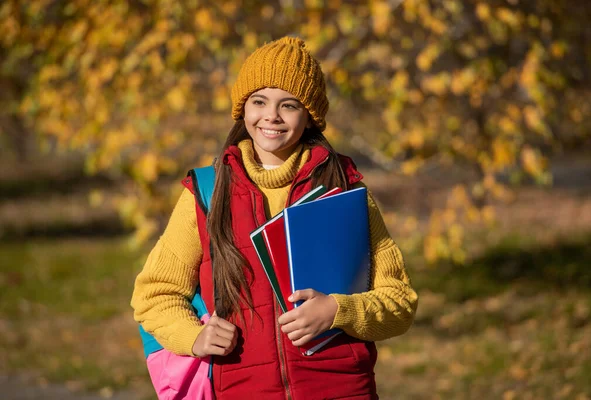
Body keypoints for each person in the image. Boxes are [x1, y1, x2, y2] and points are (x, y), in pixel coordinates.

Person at [131, 36, 418, 399]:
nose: (271, 116)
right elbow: (155, 293)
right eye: (259, 101)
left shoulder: (343, 189)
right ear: (243, 109)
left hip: (342, 389)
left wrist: (337, 310)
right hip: (241, 389)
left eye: (289, 104)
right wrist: (194, 337)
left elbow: (399, 302)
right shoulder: (207, 193)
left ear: (310, 116)